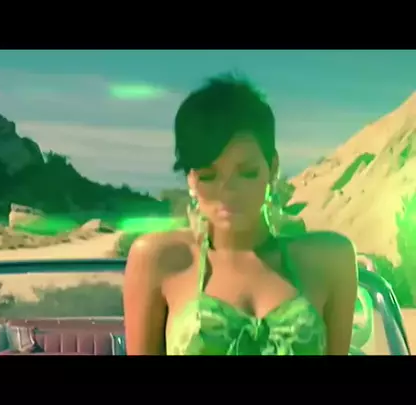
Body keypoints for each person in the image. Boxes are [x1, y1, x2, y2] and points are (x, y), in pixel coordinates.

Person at [123, 74, 358, 355]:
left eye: (246, 172)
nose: (228, 190)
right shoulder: (158, 260)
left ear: (273, 168)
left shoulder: (331, 260)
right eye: (209, 175)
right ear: (190, 179)